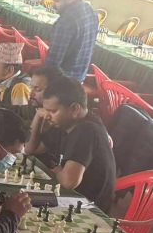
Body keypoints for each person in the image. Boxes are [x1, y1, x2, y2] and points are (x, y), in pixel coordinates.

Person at [34, 76, 116, 212]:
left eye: (52, 111)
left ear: (74, 109)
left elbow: (68, 182)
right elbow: (32, 149)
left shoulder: (87, 130)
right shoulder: (64, 122)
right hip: (71, 198)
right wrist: (38, 116)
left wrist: (58, 171)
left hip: (87, 208)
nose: (47, 116)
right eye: (45, 110)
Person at [45, 0, 98, 82]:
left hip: (62, 80)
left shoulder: (66, 21)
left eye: (57, 1)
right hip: (80, 78)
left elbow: (53, 61)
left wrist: (45, 82)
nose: (53, 5)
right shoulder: (90, 11)